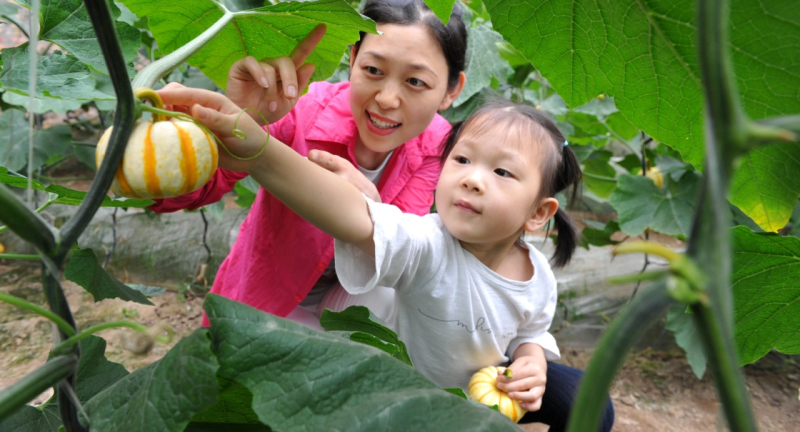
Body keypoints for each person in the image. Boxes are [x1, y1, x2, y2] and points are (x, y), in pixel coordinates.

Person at [153, 87, 615, 431]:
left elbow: (532, 326)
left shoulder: (536, 276)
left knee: (594, 407)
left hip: (472, 397)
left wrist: (532, 358)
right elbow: (356, 218)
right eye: (462, 160)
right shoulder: (427, 246)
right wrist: (257, 150)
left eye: (501, 171)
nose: (472, 180)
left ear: (538, 213)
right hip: (400, 401)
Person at [150, 0, 467, 328]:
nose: (388, 99)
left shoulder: (439, 146)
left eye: (416, 82)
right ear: (353, 59)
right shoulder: (303, 108)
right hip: (266, 303)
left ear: (452, 91)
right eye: (373, 70)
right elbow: (184, 193)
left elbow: (402, 260)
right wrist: (225, 129)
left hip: (351, 312)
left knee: (392, 292)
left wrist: (375, 211)